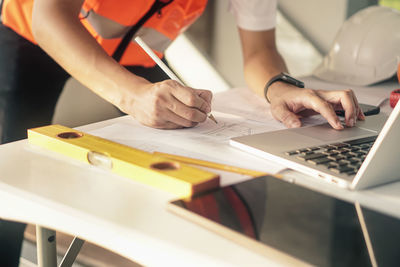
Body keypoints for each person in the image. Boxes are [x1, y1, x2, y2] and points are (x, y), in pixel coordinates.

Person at [0, 0, 364, 265]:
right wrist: (132, 96)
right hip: (31, 33)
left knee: (185, 148)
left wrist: (280, 87)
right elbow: (48, 17)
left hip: (136, 55)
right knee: (7, 174)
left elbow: (260, 51)